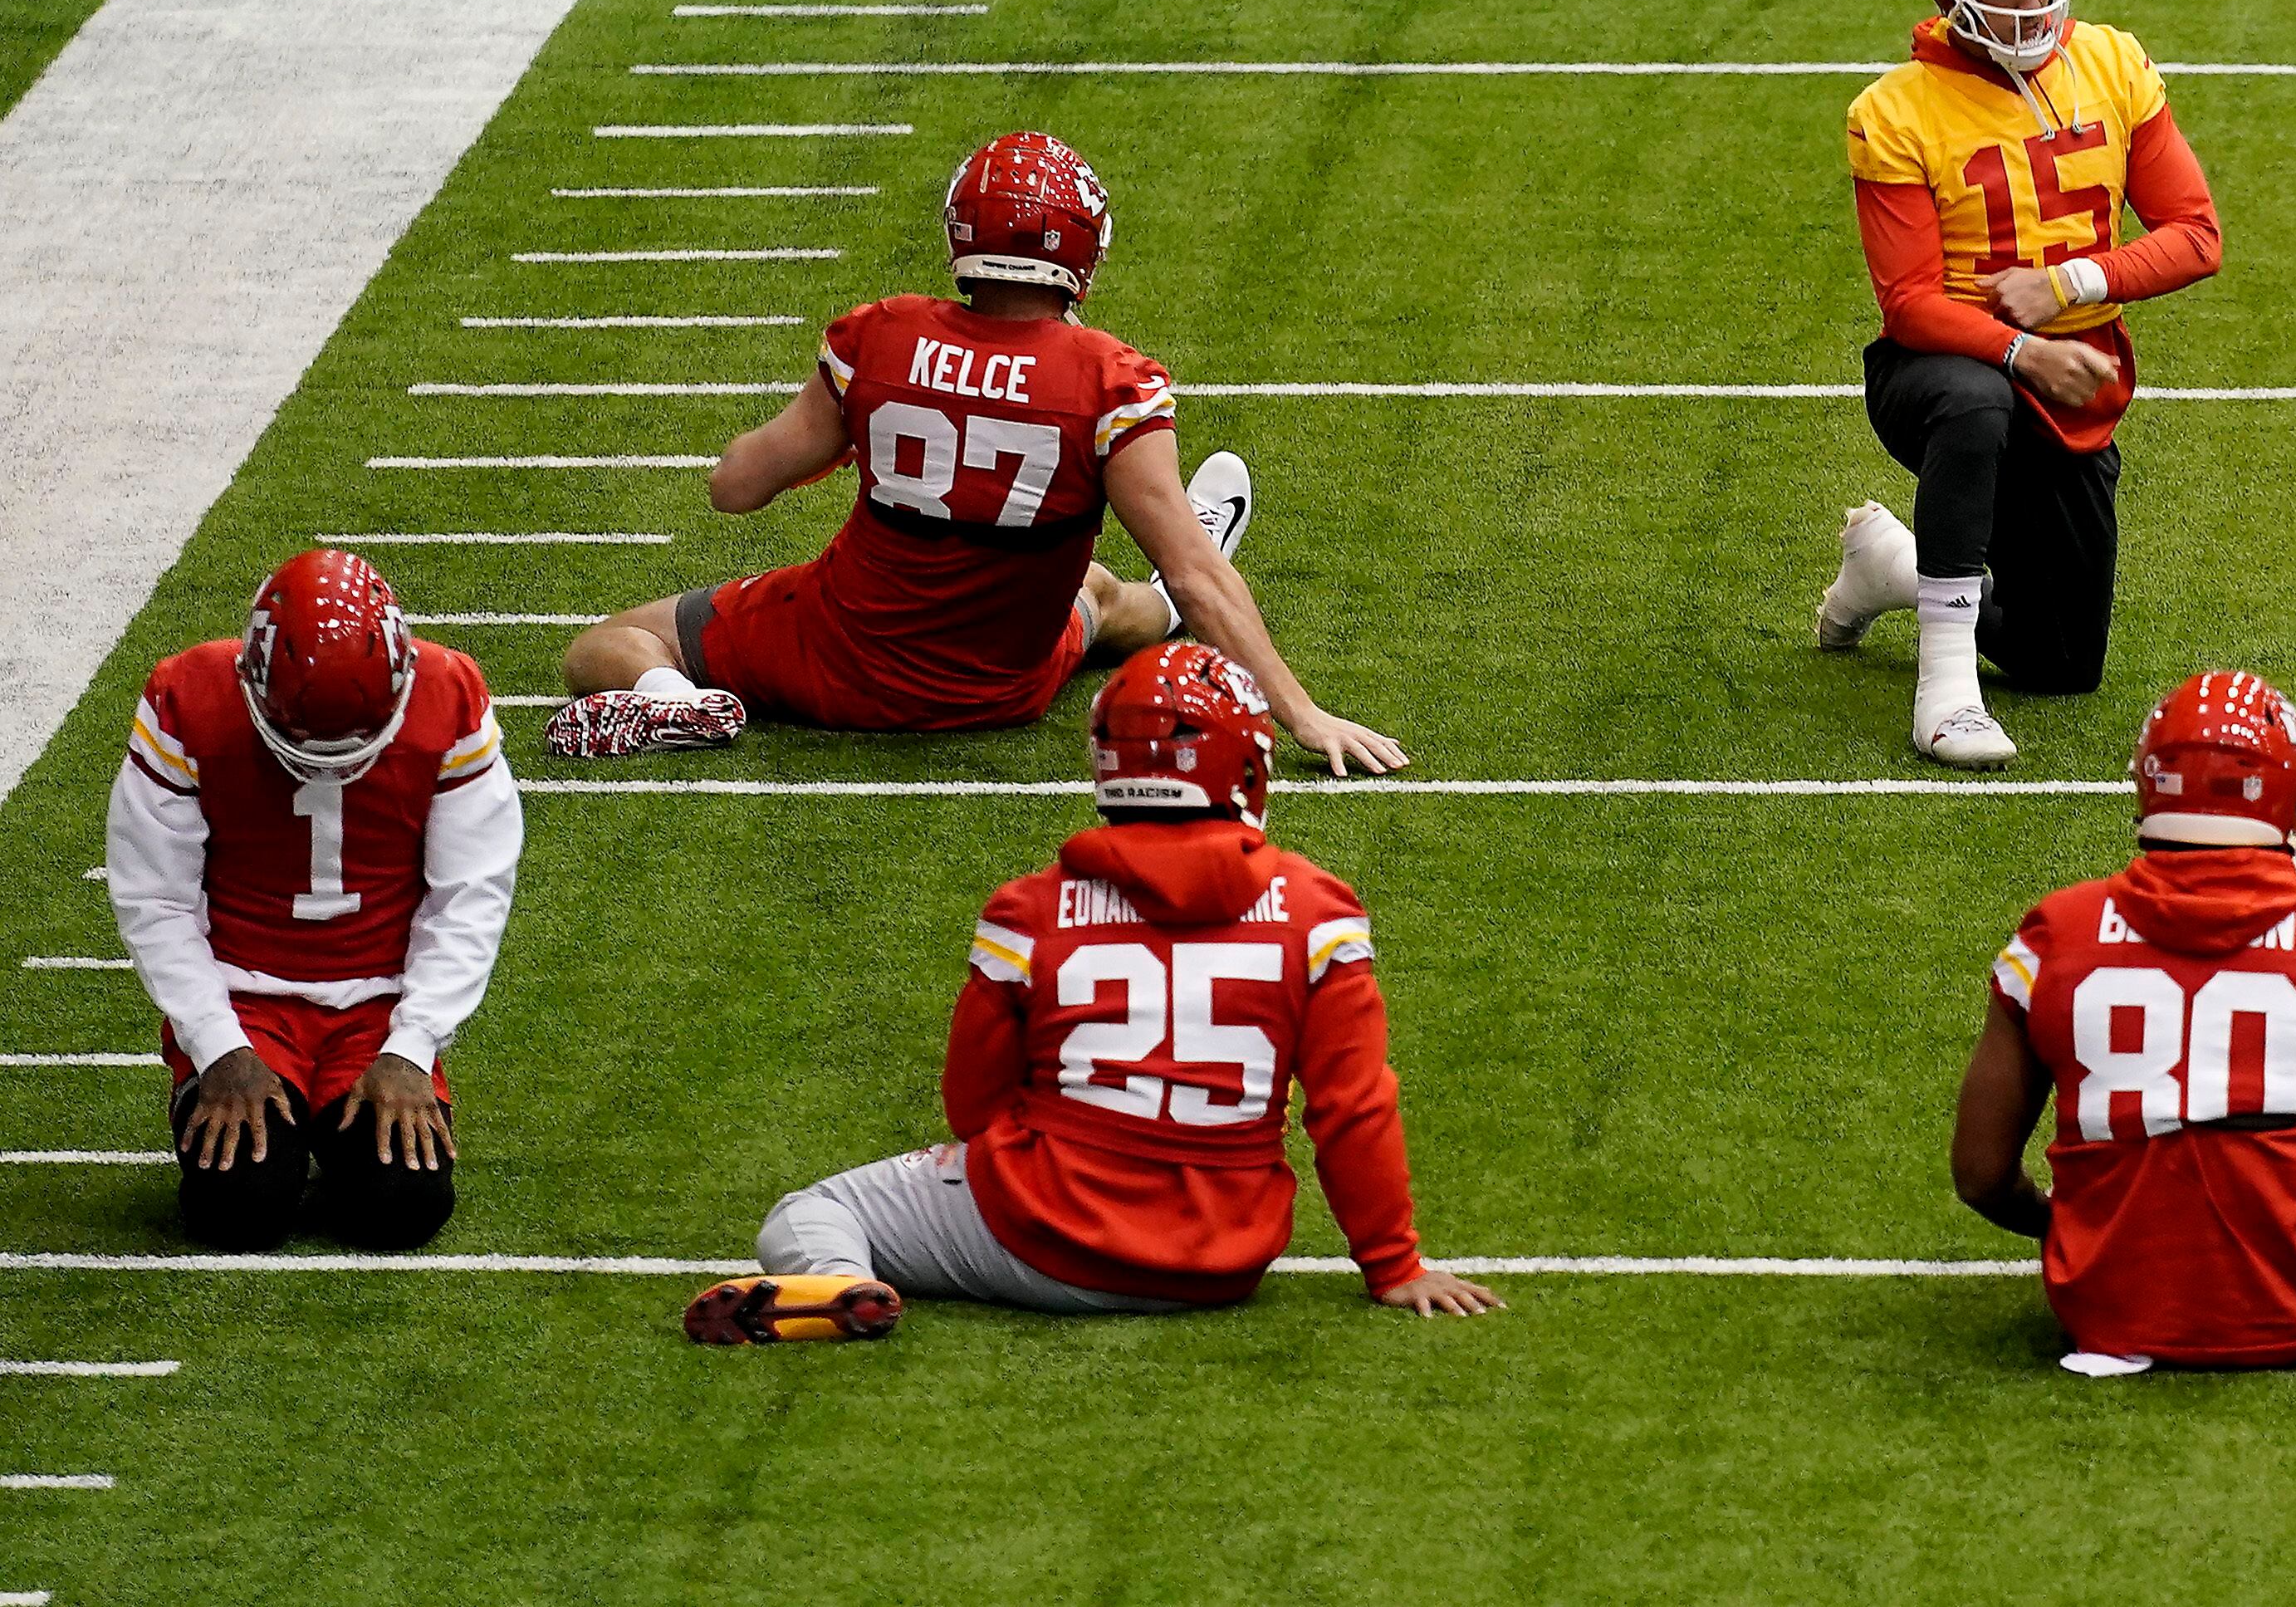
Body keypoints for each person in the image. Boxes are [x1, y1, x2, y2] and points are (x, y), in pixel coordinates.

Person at [686, 641, 1495, 1341]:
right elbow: (1352, 1104)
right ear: (1249, 765)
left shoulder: (1028, 910)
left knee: (809, 1213)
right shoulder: (1320, 911)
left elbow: (973, 1104)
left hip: (1037, 1240)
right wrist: (1394, 1263)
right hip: (1224, 1260)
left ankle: (836, 1280)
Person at [545, 130, 1401, 774]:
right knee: (1104, 588)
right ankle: (1164, 602)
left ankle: (677, 704)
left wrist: (852, 430)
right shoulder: (1110, 379)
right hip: (1002, 684)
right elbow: (1193, 571)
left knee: (607, 646)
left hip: (833, 660)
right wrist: (1304, 714)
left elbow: (734, 488)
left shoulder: (879, 338)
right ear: (1083, 248)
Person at [1814, 0, 2223, 767]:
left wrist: (2073, 284)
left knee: (2063, 661)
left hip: (2072, 389)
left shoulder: (2113, 65)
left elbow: (2197, 234)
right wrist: (2022, 347)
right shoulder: (1895, 111)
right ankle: (1945, 693)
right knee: (1973, 396)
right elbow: (1911, 302)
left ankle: (1894, 568)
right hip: (1937, 376)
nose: (2031, 4)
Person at [1949, 671, 2296, 1373]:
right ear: (2293, 797)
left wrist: (2058, 1221)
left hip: (2101, 1305)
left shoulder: (2053, 935)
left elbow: (1980, 1176)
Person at [107, 549, 522, 1252]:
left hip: (378, 1005)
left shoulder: (449, 695)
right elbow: (157, 899)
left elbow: (470, 894)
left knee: (401, 1210)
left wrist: (412, 1047)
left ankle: (336, 1132)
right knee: (236, 1210)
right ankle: (286, 1134)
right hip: (243, 997)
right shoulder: (187, 696)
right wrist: (218, 1049)